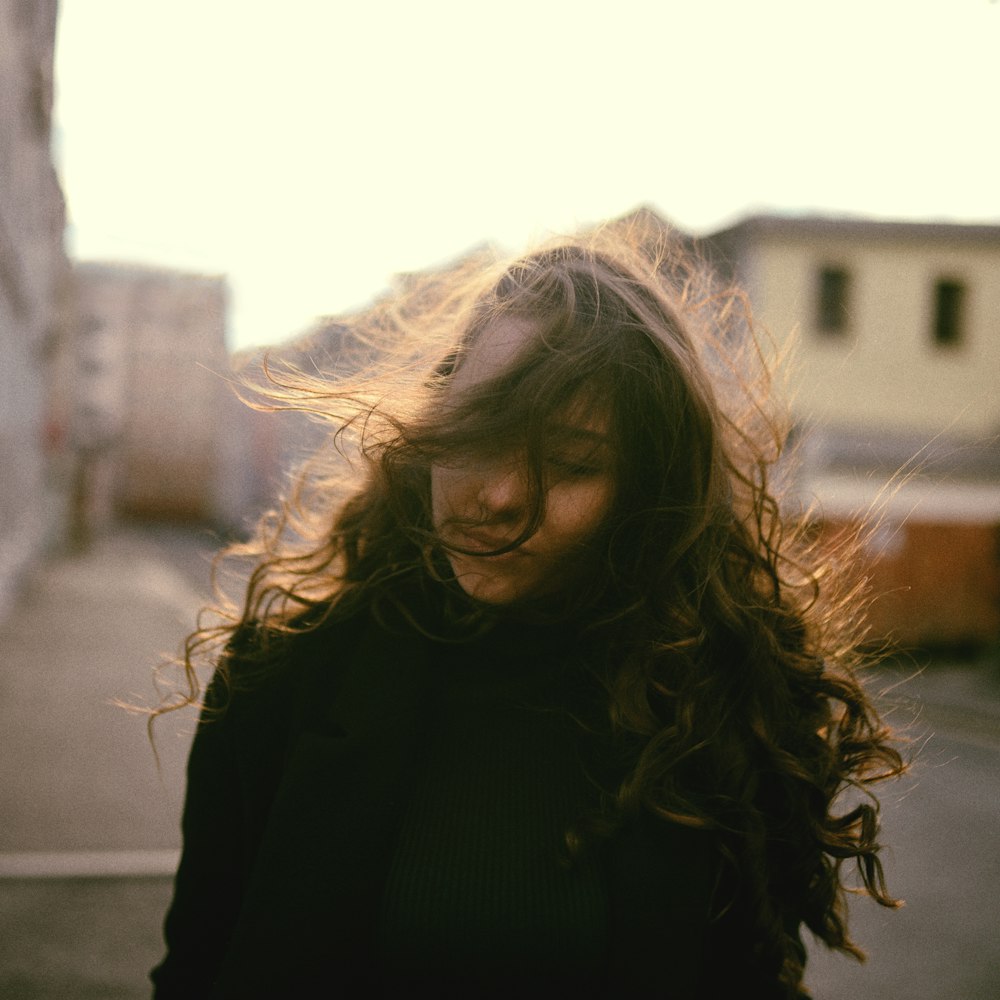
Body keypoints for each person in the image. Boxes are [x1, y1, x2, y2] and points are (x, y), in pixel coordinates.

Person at [149, 220, 904, 998]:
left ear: (644, 496)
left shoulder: (714, 706)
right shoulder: (283, 680)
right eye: (479, 434)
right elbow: (197, 972)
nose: (503, 495)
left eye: (572, 463)